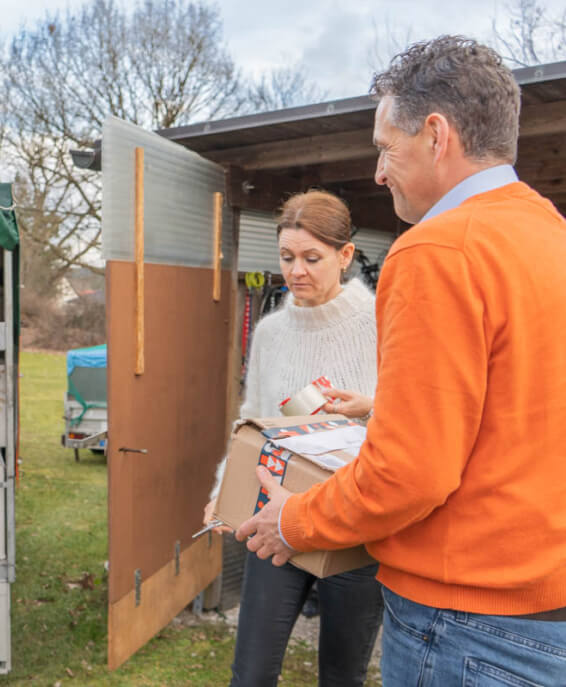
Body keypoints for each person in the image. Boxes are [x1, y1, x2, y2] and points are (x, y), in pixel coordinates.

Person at [236, 35, 566, 687]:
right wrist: (381, 406)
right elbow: (516, 409)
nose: (380, 171)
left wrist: (291, 519)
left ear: (437, 135)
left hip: (466, 624)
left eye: (386, 148)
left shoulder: (436, 252)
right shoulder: (548, 233)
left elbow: (409, 474)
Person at [203, 190, 382, 687]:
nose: (296, 270)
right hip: (275, 518)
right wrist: (224, 491)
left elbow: (416, 421)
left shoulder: (384, 324)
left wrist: (372, 407)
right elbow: (253, 422)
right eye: (287, 257)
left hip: (354, 524)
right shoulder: (271, 333)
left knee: (342, 676)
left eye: (311, 258)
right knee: (252, 674)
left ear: (345, 256)